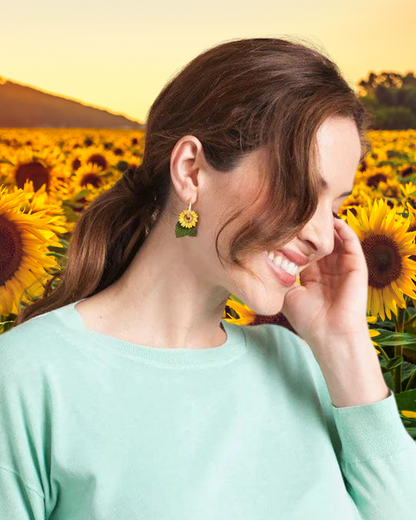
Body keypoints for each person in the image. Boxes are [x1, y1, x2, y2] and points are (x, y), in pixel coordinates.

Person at [1, 37, 415, 520]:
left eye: (336, 207)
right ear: (192, 170)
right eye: (302, 189)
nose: (324, 238)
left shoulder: (303, 365)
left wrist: (345, 345)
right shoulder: (28, 379)